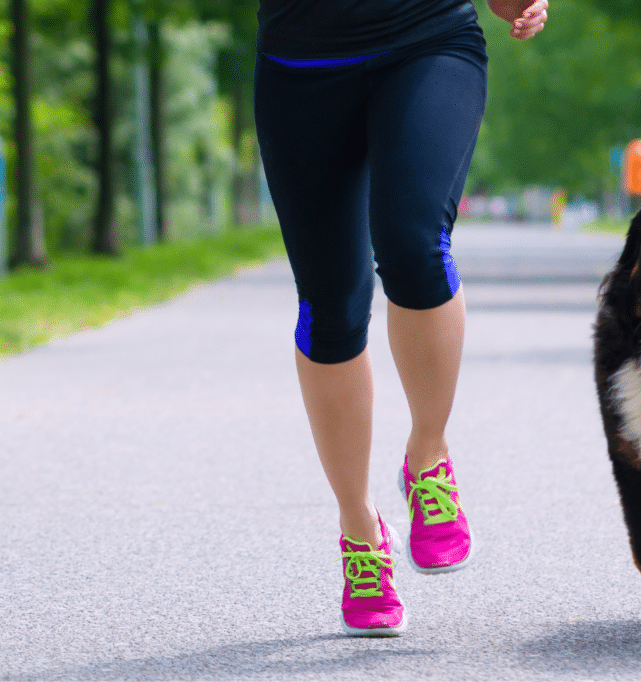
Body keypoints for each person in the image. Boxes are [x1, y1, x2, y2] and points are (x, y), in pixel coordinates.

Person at [254, 0, 548, 636]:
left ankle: (428, 455)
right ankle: (359, 528)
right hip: (298, 62)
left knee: (413, 243)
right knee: (332, 306)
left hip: (426, 36)